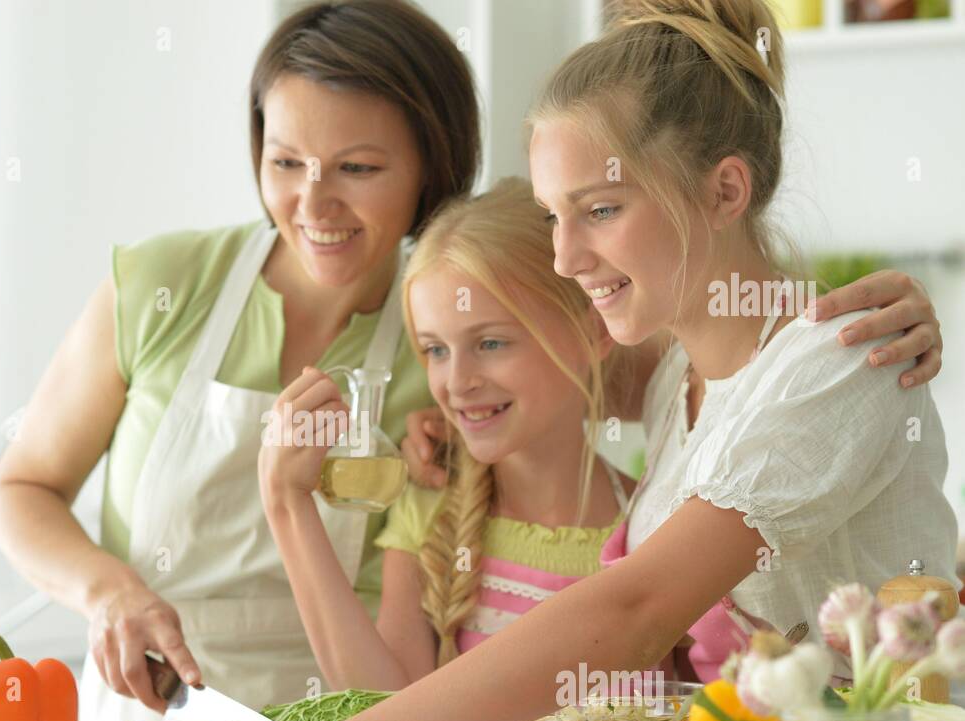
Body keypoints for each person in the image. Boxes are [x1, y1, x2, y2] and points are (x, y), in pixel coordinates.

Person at [0, 0, 941, 721]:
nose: (312, 201)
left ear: (427, 174)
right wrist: (112, 593)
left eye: (356, 166)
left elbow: (696, 400)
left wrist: (880, 312)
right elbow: (18, 488)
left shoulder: (493, 315)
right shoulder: (165, 283)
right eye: (284, 161)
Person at [259, 178, 694, 692]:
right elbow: (386, 712)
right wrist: (287, 505)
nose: (457, 382)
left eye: (489, 342)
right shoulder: (429, 508)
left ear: (594, 333)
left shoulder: (660, 526)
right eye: (436, 350)